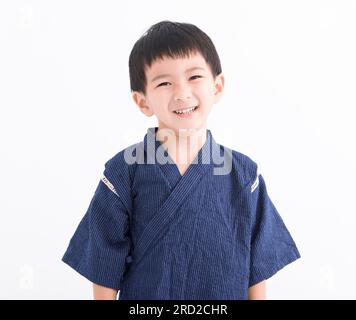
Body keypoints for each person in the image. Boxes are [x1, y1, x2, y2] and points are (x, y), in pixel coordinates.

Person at [62, 20, 300, 300]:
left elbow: (257, 267)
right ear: (142, 101)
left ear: (217, 85)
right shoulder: (123, 172)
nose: (182, 93)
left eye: (194, 77)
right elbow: (104, 263)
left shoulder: (244, 175)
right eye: (164, 82)